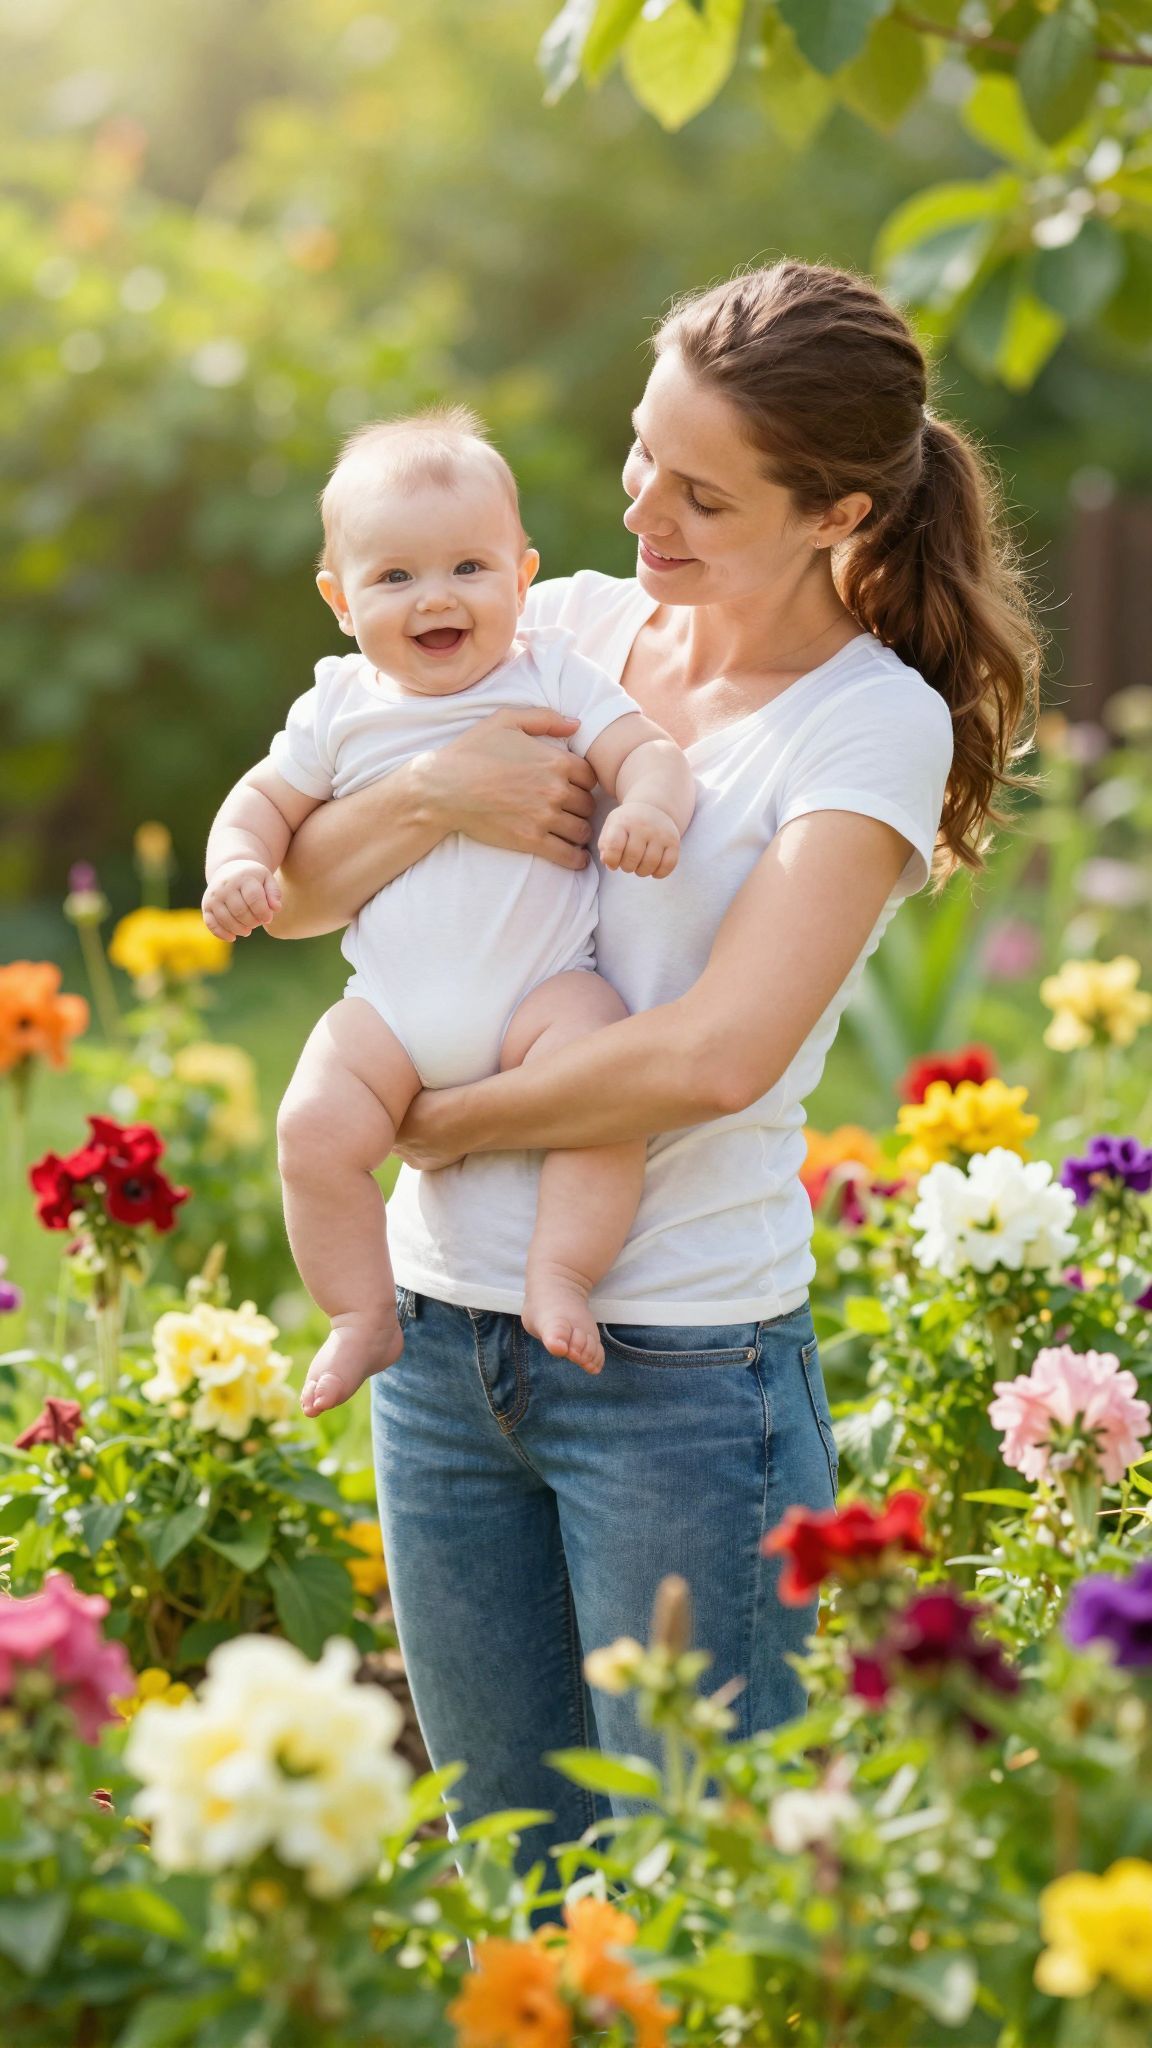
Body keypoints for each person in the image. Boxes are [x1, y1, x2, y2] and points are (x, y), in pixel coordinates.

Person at [267, 261, 1042, 1891]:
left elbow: (711, 1055)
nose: (642, 511)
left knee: (704, 1891)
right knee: (513, 1875)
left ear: (833, 511)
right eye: (638, 454)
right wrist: (435, 799)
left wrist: (424, 1121)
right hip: (436, 1352)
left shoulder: (864, 730)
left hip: (676, 1377)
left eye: (701, 493)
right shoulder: (558, 620)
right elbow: (311, 887)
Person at [201, 409, 695, 1416]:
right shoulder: (339, 703)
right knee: (311, 1129)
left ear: (523, 575)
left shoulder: (551, 669)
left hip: (539, 992)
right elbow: (260, 801)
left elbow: (649, 751)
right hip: (389, 1007)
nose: (436, 596)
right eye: (394, 578)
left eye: (469, 568)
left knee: (601, 1084)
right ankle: (357, 1313)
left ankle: (560, 1272)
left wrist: (646, 805)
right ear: (341, 601)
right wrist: (238, 862)